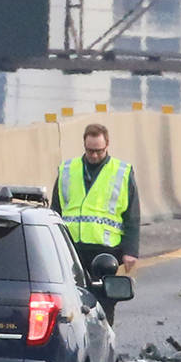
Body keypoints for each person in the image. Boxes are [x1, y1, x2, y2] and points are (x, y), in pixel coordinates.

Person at [52, 123, 140, 324]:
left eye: (99, 151)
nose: (94, 155)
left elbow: (132, 216)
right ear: (84, 145)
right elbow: (55, 209)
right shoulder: (68, 170)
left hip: (106, 251)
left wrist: (131, 251)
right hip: (72, 248)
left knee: (104, 304)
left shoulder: (121, 172)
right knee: (71, 301)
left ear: (107, 145)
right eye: (90, 150)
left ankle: (104, 336)